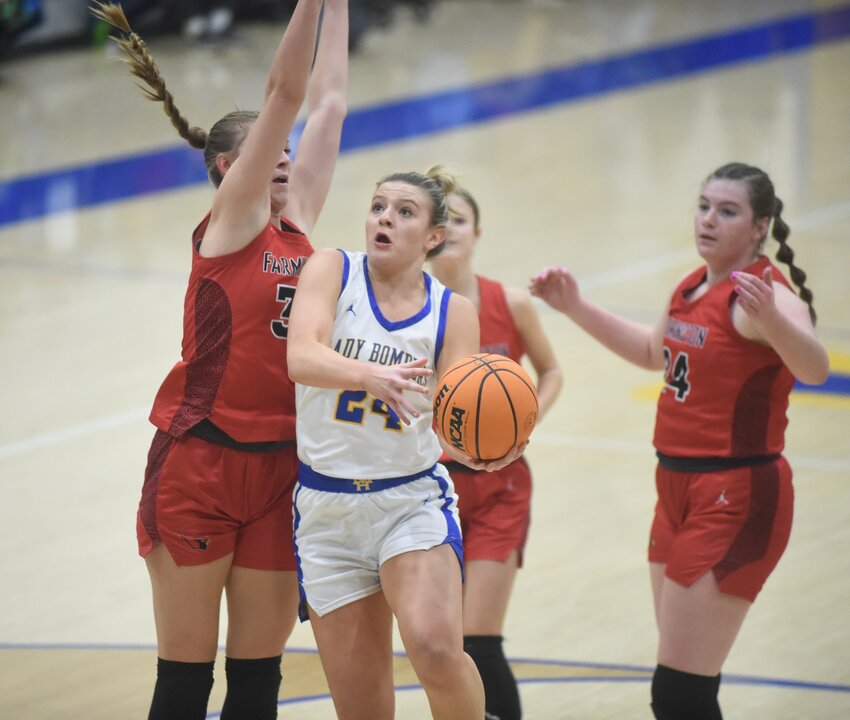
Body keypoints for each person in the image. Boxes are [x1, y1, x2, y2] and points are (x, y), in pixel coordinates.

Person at [90, 0, 348, 718]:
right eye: (277, 159)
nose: (291, 170)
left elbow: (328, 102)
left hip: (278, 471)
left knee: (259, 681)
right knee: (185, 682)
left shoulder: (299, 229)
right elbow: (288, 95)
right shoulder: (232, 227)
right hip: (200, 463)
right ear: (235, 168)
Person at [530, 162, 829, 719]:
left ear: (759, 226)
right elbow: (651, 353)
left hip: (735, 494)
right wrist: (573, 307)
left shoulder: (761, 296)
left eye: (728, 211)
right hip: (675, 489)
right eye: (704, 205)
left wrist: (778, 321)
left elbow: (814, 367)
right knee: (686, 686)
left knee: (677, 694)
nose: (709, 219)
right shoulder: (692, 285)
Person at [286, 165, 526, 720]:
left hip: (409, 501)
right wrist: (368, 375)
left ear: (433, 236)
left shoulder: (452, 312)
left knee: (437, 650)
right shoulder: (332, 269)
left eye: (403, 211)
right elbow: (300, 356)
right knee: (363, 707)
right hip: (327, 512)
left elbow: (452, 419)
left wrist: (481, 450)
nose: (384, 219)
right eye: (377, 207)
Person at [427, 185, 563, 720]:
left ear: (477, 233)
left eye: (461, 220)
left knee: (480, 639)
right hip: (434, 488)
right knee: (443, 643)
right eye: (444, 220)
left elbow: (551, 371)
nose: (452, 230)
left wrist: (522, 425)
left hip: (502, 486)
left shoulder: (511, 302)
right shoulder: (414, 309)